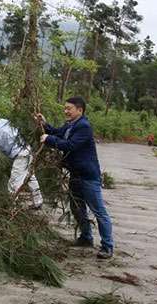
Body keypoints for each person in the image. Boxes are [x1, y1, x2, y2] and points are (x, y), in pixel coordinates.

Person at [37, 96, 114, 259]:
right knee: (77, 208)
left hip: (88, 176)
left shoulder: (84, 126)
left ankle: (107, 246)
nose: (66, 111)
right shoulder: (71, 124)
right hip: (76, 174)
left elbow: (70, 145)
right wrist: (45, 125)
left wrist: (48, 140)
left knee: (98, 211)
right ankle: (86, 237)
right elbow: (58, 133)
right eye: (65, 108)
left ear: (80, 110)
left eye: (69, 108)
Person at [0, 107, 43, 209]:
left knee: (14, 182)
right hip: (27, 150)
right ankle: (38, 202)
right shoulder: (4, 121)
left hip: (21, 155)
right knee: (30, 178)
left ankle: (12, 207)